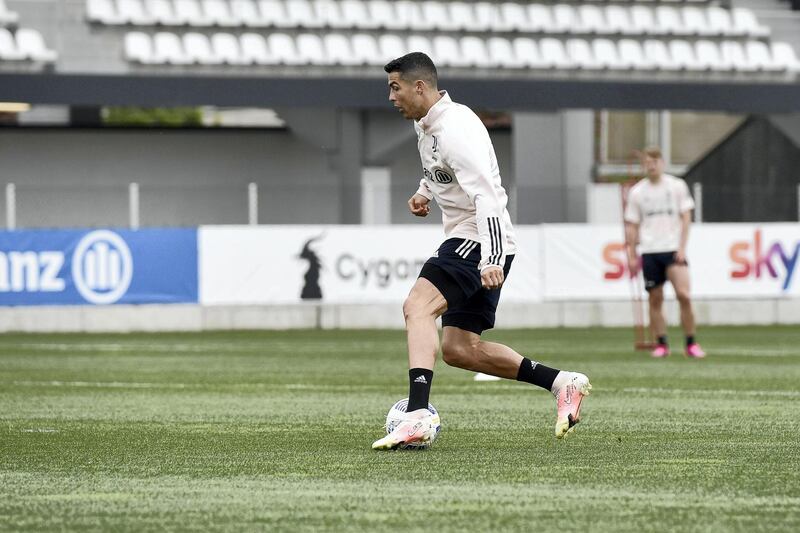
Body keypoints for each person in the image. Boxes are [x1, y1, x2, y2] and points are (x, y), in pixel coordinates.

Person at [372, 52, 592, 450]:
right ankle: (562, 383)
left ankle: (417, 414)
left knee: (417, 307)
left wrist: (491, 257)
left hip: (477, 238)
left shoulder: (455, 128)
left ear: (419, 86)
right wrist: (424, 193)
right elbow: (440, 169)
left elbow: (487, 196)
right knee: (459, 349)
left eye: (395, 87)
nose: (391, 96)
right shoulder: (427, 125)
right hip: (475, 237)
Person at [624, 147, 706, 359]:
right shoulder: (637, 193)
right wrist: (632, 254)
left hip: (672, 250)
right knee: (655, 299)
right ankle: (662, 343)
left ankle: (691, 342)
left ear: (662, 162)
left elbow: (686, 217)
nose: (651, 165)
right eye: (648, 162)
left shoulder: (676, 186)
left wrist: (681, 247)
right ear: (644, 165)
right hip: (650, 251)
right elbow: (632, 225)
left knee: (684, 295)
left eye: (655, 161)